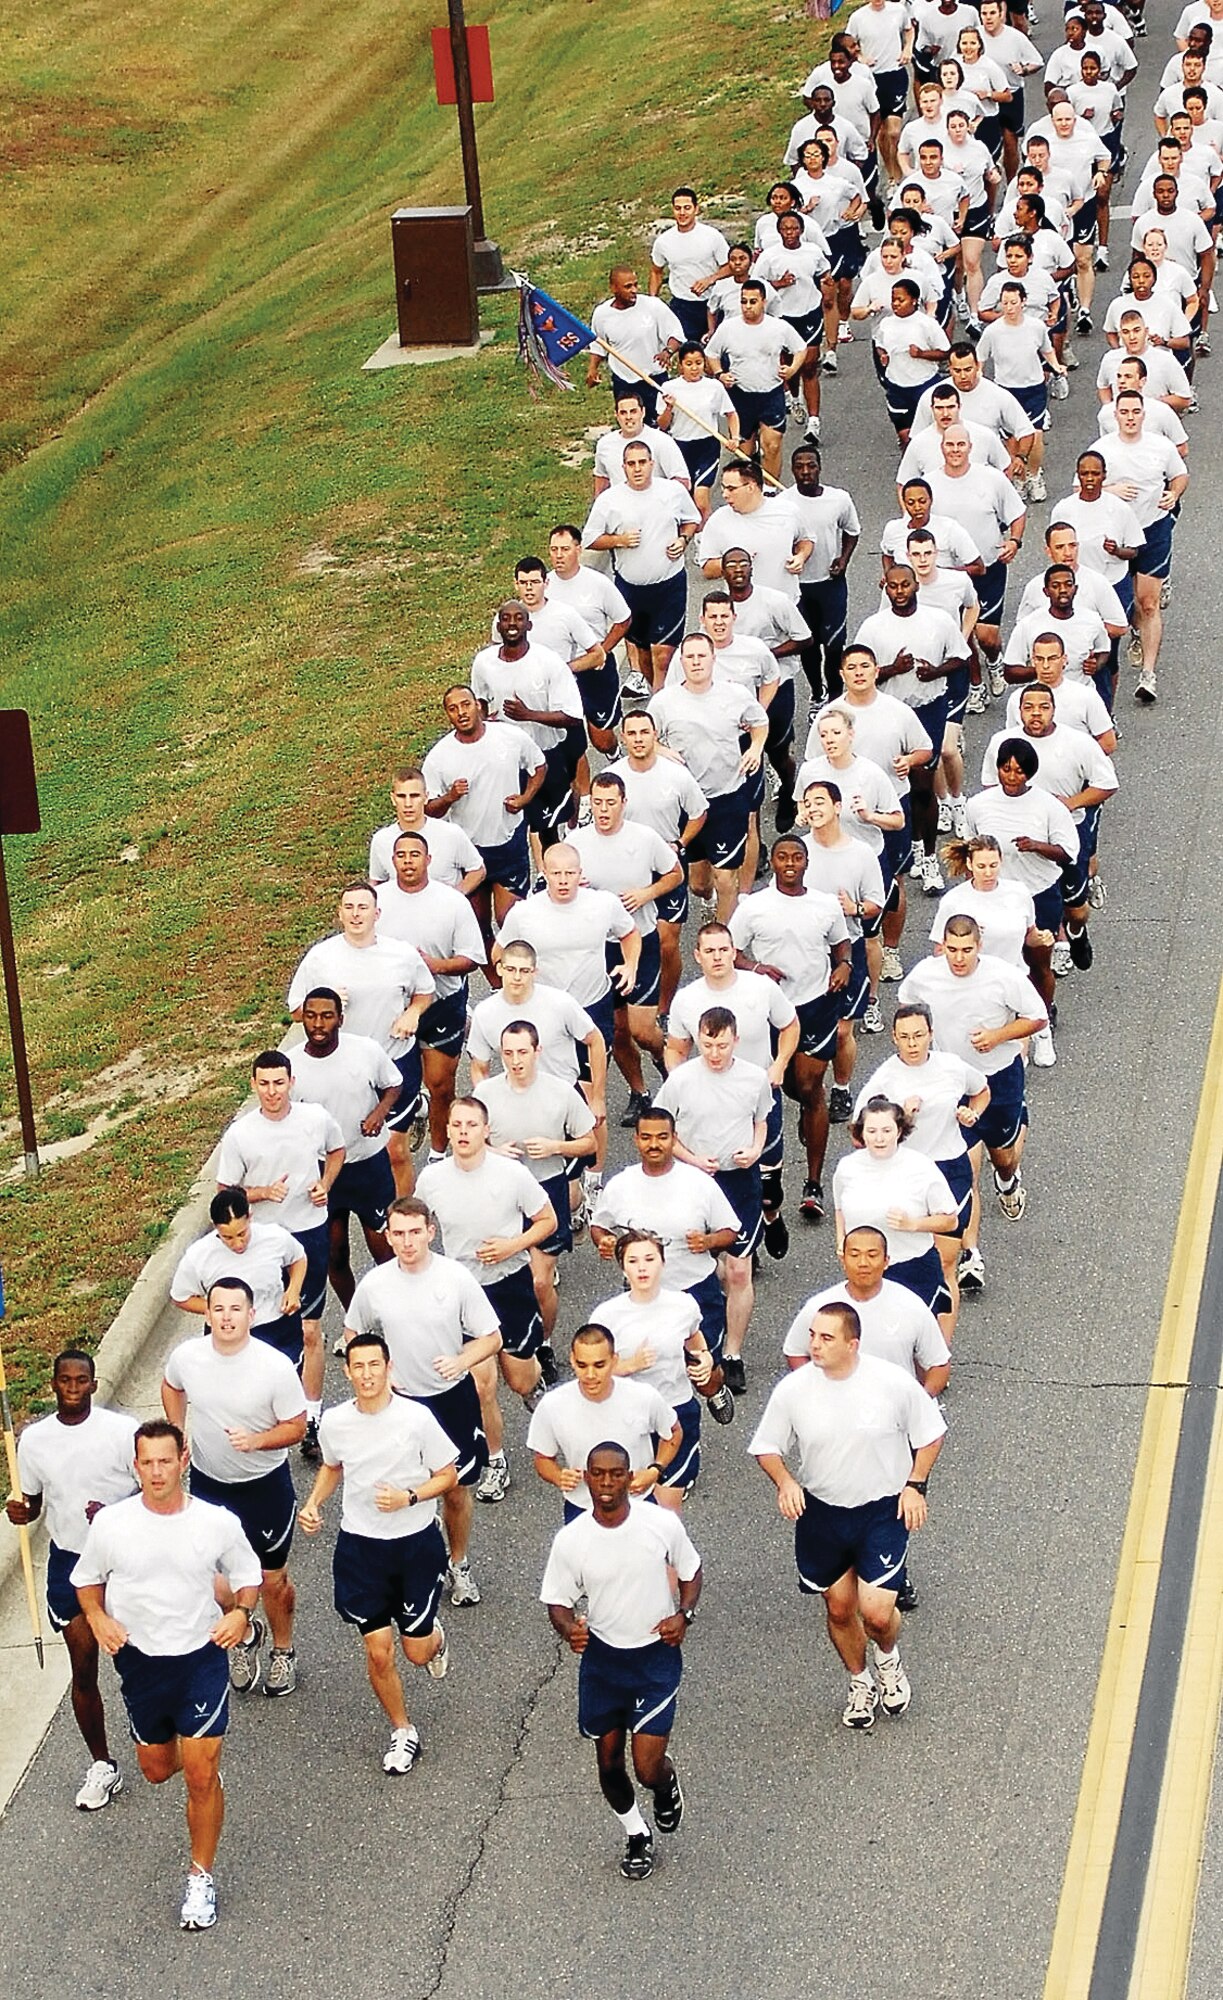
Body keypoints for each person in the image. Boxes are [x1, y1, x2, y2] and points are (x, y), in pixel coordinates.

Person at [70, 1420, 263, 1930]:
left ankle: (200, 1877)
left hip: (201, 1654)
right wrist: (98, 1617)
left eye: (165, 1460)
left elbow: (247, 1577)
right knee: (156, 1769)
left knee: (199, 1775)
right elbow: (87, 1582)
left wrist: (241, 1615)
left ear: (183, 1461)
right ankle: (197, 1764)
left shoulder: (216, 1522)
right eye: (147, 1462)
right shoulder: (112, 1524)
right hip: (139, 1661)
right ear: (136, 1466)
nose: (157, 1472)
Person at [750, 1301, 945, 1729]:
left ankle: (888, 1659)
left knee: (876, 1612)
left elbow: (931, 1434)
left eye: (826, 1338)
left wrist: (915, 1485)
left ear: (852, 1344)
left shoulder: (891, 1383)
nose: (814, 1345)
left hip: (882, 1511)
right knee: (840, 1609)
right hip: (822, 1513)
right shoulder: (794, 1390)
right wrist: (785, 1482)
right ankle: (860, 1683)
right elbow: (767, 1447)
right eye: (813, 1336)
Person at [541, 1440, 702, 1881]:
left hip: (654, 1659)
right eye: (599, 1474)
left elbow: (691, 1570)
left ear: (631, 1480)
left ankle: (664, 1784)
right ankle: (636, 1834)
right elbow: (556, 1600)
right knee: (608, 1762)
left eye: (616, 1474)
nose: (607, 1483)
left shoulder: (659, 1525)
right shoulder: (572, 1540)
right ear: (587, 1478)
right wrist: (568, 1627)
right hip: (603, 1661)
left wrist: (684, 1615)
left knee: (646, 1766)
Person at [298, 1330, 456, 1777]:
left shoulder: (417, 1419)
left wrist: (409, 1497)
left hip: (414, 1544)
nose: (367, 1374)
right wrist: (313, 1504)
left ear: (389, 1369)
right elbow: (332, 1466)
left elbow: (447, 1475)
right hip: (361, 1548)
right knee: (378, 1651)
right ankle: (402, 1730)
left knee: (417, 1653)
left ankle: (433, 1637)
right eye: (358, 1366)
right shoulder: (335, 1423)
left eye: (375, 1365)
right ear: (347, 1371)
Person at [342, 1194, 500, 1604]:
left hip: (451, 1400)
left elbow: (492, 1336)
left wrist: (461, 1360)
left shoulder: (455, 1278)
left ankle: (458, 1561)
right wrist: (376, 1376)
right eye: (399, 1234)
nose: (408, 1241)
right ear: (388, 1237)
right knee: (406, 1488)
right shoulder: (374, 1285)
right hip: (401, 1404)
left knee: (455, 1489)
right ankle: (417, 1567)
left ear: (430, 1232)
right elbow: (353, 1333)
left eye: (416, 1232)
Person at [781, 1225, 950, 1607]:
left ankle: (891, 1574)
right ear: (842, 1257)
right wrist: (813, 1390)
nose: (863, 1262)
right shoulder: (820, 1307)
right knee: (844, 1492)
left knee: (893, 1496)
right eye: (854, 1254)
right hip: (838, 1423)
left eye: (872, 1255)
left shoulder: (909, 1306)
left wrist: (916, 1404)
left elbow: (938, 1365)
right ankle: (846, 1570)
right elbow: (795, 1352)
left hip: (894, 1429)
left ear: (887, 1261)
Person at [161, 1276, 307, 1697]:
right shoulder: (187, 1357)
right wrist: (176, 1428)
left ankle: (283, 1650)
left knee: (271, 1579)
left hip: (264, 1487)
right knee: (211, 1579)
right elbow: (172, 1385)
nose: (227, 1318)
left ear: (251, 1315)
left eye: (235, 1309)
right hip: (209, 1484)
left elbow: (296, 1427)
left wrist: (256, 1441)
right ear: (207, 1314)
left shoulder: (274, 1367)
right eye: (218, 1309)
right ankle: (245, 1633)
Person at [7, 1351, 138, 1811]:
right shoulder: (34, 1441)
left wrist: (113, 1517)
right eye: (65, 1380)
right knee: (83, 1670)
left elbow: (151, 1492)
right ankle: (103, 1765)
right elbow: (36, 1502)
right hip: (69, 1564)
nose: (74, 1387)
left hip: (123, 1562)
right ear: (53, 1384)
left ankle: (161, 1736)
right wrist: (22, 1511)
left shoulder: (121, 1432)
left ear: (94, 1384)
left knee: (139, 1664)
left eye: (82, 1380)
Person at [216, 1048, 343, 1452]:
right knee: (265, 1329)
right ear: (253, 1085)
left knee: (308, 1329)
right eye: (264, 1084)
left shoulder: (315, 1119)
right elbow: (226, 1193)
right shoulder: (240, 1134)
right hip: (262, 1243)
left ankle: (312, 1418)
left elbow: (337, 1150)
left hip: (309, 1233)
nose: (272, 1092)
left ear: (292, 1082)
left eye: (279, 1082)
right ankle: (264, 1411)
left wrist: (326, 1184)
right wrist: (262, 1193)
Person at [496, 841, 639, 1200]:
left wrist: (630, 965)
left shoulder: (602, 905)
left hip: (592, 1009)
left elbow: (630, 932)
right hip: (545, 1017)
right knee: (552, 1089)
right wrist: (515, 990)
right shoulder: (525, 913)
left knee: (592, 1098)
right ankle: (556, 1169)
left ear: (580, 873)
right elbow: (500, 953)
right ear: (543, 874)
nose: (563, 881)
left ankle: (593, 1178)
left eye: (569, 873)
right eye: (555, 873)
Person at [666, 919, 799, 1294]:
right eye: (709, 951)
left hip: (757, 1098)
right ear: (698, 956)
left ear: (733, 951)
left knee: (769, 1182)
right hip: (711, 1106)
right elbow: (675, 1049)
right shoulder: (687, 1000)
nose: (718, 957)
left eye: (724, 949)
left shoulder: (760, 988)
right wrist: (682, 1082)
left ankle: (771, 1215)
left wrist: (779, 1064)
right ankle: (743, 1241)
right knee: (723, 1174)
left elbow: (790, 1026)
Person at [287, 881, 435, 1200]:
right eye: (349, 908)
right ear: (340, 913)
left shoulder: (401, 955)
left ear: (377, 913)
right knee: (350, 1146)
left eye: (363, 907)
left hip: (394, 1059)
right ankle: (419, 1110)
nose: (356, 915)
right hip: (345, 1068)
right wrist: (323, 1002)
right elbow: (296, 1009)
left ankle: (402, 1220)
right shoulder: (320, 959)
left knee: (394, 1149)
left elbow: (425, 992)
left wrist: (413, 1013)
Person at [731, 835, 851, 1223]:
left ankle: (813, 1183)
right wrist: (755, 968)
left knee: (811, 1086)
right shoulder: (755, 907)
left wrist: (844, 966)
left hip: (815, 1004)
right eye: (782, 857)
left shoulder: (826, 905)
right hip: (768, 1009)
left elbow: (841, 943)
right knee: (777, 1087)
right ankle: (766, 1173)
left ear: (806, 862)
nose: (789, 863)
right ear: (774, 861)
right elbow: (730, 950)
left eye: (796, 857)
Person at [899, 914, 1047, 1228]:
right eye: (952, 949)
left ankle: (1007, 1180)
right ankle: (968, 1253)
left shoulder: (1003, 977)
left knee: (1003, 1157)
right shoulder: (925, 975)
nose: (959, 958)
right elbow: (906, 1006)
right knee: (964, 1162)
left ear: (979, 946)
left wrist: (997, 1036)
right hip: (951, 1083)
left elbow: (1037, 1018)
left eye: (966, 950)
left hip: (998, 1077)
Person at [854, 1003, 990, 1322]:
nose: (912, 1043)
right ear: (894, 1038)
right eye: (904, 1037)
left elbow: (981, 1090)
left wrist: (972, 1113)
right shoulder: (885, 1079)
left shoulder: (952, 1067)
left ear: (931, 1034)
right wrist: (900, 1116)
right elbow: (860, 1134)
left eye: (918, 1035)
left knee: (944, 1263)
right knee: (909, 1263)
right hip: (905, 1174)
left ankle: (939, 1350)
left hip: (949, 1168)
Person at [475, 1020, 596, 1370]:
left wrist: (555, 1146)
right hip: (500, 1194)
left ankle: (542, 1342)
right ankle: (504, 1340)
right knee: (502, 1274)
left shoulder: (560, 1092)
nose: (515, 1061)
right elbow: (466, 1139)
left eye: (522, 1052)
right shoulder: (486, 1095)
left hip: (547, 1188)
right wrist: (493, 1152)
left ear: (537, 1051)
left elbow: (589, 1141)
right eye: (508, 1053)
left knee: (540, 1280)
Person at [570, 769, 683, 1122]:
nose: (604, 810)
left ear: (623, 804)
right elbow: (557, 883)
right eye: (598, 803)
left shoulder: (645, 838)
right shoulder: (576, 842)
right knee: (616, 1030)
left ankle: (663, 1056)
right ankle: (640, 1092)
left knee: (641, 1029)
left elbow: (675, 874)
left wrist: (646, 893)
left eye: (611, 803)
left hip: (640, 939)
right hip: (597, 946)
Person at [592, 1106, 742, 1363]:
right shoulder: (620, 1185)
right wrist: (605, 1241)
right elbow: (599, 1225)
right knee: (650, 1367)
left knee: (705, 1367)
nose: (654, 1144)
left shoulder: (699, 1183)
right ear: (636, 1139)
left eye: (662, 1137)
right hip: (641, 1294)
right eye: (647, 1137)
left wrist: (708, 1241)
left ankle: (716, 1395)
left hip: (696, 1289)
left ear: (674, 1138)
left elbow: (731, 1231)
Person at [595, 1231, 729, 1509]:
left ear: (662, 1263)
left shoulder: (683, 1305)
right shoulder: (606, 1316)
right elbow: (592, 1373)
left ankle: (669, 1553)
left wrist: (703, 1359)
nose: (642, 1267)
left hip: (676, 1409)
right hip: (627, 1416)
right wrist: (630, 1365)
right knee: (631, 1504)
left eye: (649, 1259)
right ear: (623, 1266)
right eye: (633, 1261)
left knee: (667, 1510)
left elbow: (695, 1339)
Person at [374, 829, 486, 1162]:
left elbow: (473, 960)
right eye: (401, 856)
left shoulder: (452, 902)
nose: (408, 862)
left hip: (442, 1002)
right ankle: (413, 1109)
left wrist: (434, 965)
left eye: (415, 855)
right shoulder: (376, 903)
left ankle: (439, 1153)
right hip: (394, 1009)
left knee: (439, 1084)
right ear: (392, 861)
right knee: (392, 1082)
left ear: (429, 860)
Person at [291, 987, 401, 1312]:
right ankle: (357, 1318)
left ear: (341, 1018)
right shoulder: (292, 1067)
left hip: (369, 1165)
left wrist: (379, 1114)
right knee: (334, 1253)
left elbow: (393, 1085)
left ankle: (394, 1311)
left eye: (326, 1016)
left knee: (384, 1249)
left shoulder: (366, 1051)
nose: (318, 1024)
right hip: (324, 1174)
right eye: (311, 1016)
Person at [648, 631, 768, 922]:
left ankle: (722, 936)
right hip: (687, 804)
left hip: (727, 797)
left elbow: (759, 722)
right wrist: (661, 750)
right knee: (699, 883)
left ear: (714, 659)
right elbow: (645, 737)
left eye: (702, 656)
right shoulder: (665, 701)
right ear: (682, 662)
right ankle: (709, 898)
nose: (696, 662)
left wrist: (755, 747)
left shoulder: (735, 694)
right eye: (690, 656)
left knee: (726, 879)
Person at [421, 684, 546, 956]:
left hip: (507, 843)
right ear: (448, 715)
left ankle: (523, 973)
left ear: (478, 705)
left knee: (509, 920)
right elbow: (429, 809)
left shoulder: (510, 737)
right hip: (467, 852)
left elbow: (538, 766)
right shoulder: (439, 758)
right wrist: (450, 797)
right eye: (453, 709)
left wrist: (525, 798)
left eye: (465, 705)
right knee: (477, 926)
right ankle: (497, 985)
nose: (461, 713)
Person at [607, 708, 709, 1019]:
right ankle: (636, 1001)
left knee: (667, 942)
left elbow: (699, 812)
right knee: (633, 936)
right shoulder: (613, 778)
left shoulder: (676, 775)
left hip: (667, 867)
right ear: (623, 738)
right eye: (632, 733)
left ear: (655, 736)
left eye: (644, 732)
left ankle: (664, 1008)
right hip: (630, 872)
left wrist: (680, 843)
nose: (638, 739)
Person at [470, 601, 586, 861]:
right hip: (505, 760)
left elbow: (573, 716)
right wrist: (484, 721)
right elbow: (480, 701)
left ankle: (555, 866)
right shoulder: (484, 663)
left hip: (545, 755)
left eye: (519, 619)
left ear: (529, 625)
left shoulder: (548, 662)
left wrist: (529, 715)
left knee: (548, 827)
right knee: (515, 823)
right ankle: (533, 874)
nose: (512, 624)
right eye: (506, 619)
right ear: (498, 626)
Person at [582, 442, 702, 691]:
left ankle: (659, 712)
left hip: (669, 585)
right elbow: (590, 539)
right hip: (631, 588)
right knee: (645, 654)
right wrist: (618, 540)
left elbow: (692, 520)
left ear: (652, 464)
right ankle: (659, 696)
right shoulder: (609, 500)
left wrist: (683, 540)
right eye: (631, 464)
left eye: (642, 462)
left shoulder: (672, 492)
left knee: (663, 655)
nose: (637, 469)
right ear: (623, 467)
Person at [528, 1323, 682, 1516]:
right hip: (582, 1508)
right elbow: (543, 1458)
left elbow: (673, 1432)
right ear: (572, 1361)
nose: (590, 1375)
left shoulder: (643, 1396)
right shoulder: (552, 1406)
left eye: (599, 1365)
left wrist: (655, 1470)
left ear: (614, 1360)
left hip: (639, 1505)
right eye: (582, 1365)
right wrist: (558, 1476)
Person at [801, 776, 886, 1123]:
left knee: (842, 1030)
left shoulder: (861, 853)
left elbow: (876, 904)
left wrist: (855, 909)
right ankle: (809, 1091)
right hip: (806, 951)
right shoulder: (798, 851)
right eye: (808, 803)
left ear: (837, 807)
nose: (813, 808)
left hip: (847, 949)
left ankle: (842, 1087)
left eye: (820, 802)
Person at [1096, 391, 1190, 703]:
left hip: (1154, 528)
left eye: (1136, 411)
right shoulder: (1102, 450)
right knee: (1128, 604)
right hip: (1118, 534)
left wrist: (1173, 494)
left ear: (1143, 415)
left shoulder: (1160, 447)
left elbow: (1180, 475)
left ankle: (1148, 675)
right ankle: (1135, 630)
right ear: (1116, 416)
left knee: (1149, 602)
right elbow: (1079, 485)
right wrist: (1110, 489)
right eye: (1125, 412)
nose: (1131, 417)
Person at [170, 1186, 308, 1372]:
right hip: (229, 1334)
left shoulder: (274, 1237)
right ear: (215, 1226)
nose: (237, 1244)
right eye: (227, 1237)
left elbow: (298, 1258)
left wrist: (293, 1290)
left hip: (276, 1326)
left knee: (285, 1386)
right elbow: (181, 1297)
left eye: (242, 1233)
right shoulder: (199, 1255)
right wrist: (222, 1310)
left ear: (250, 1217)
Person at [703, 281, 811, 477]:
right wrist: (720, 374)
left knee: (772, 445)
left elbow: (800, 348)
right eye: (743, 302)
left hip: (771, 393)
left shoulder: (778, 327)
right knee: (744, 454)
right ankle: (750, 489)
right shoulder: (728, 328)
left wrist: (793, 368)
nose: (748, 306)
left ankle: (770, 491)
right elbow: (711, 353)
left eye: (753, 301)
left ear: (763, 302)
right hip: (740, 395)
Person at [790, 443, 861, 703]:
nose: (806, 471)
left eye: (811, 466)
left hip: (831, 584)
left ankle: (834, 695)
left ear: (820, 468)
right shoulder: (784, 503)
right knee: (808, 645)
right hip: (798, 587)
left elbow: (852, 531)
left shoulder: (839, 499)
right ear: (792, 470)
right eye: (799, 467)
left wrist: (843, 560)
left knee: (833, 646)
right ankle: (817, 694)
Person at [546, 521, 634, 710]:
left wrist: (603, 651)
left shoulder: (597, 583)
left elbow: (624, 619)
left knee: (602, 736)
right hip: (558, 672)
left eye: (565, 549)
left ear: (578, 550)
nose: (559, 555)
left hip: (594, 669)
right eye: (554, 549)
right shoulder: (543, 587)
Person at [656, 342, 741, 525]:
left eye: (699, 363)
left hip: (707, 446)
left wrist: (734, 437)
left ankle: (702, 540)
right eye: (689, 364)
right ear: (680, 366)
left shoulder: (714, 387)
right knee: (682, 499)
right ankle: (685, 535)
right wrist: (669, 408)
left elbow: (731, 414)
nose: (694, 368)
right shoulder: (669, 388)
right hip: (679, 447)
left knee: (700, 498)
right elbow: (662, 425)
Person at [367, 764, 485, 895]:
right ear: (393, 799)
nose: (408, 804)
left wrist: (456, 898)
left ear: (426, 797)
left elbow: (477, 870)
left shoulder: (450, 834)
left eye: (414, 796)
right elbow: (377, 882)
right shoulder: (381, 840)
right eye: (401, 796)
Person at [587, 265, 683, 417]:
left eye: (635, 284)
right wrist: (593, 369)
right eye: (628, 286)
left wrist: (668, 351)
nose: (634, 290)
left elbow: (676, 334)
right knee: (630, 423)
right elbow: (599, 345)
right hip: (623, 380)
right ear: (614, 288)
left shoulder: (653, 306)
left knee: (658, 422)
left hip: (654, 378)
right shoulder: (602, 314)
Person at [649, 187, 732, 344]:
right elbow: (656, 271)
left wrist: (710, 279)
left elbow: (729, 266)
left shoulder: (712, 236)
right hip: (682, 306)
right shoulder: (663, 241)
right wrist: (653, 301)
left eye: (687, 208)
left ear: (696, 209)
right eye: (678, 208)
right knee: (687, 353)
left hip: (714, 303)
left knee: (719, 350)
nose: (682, 213)